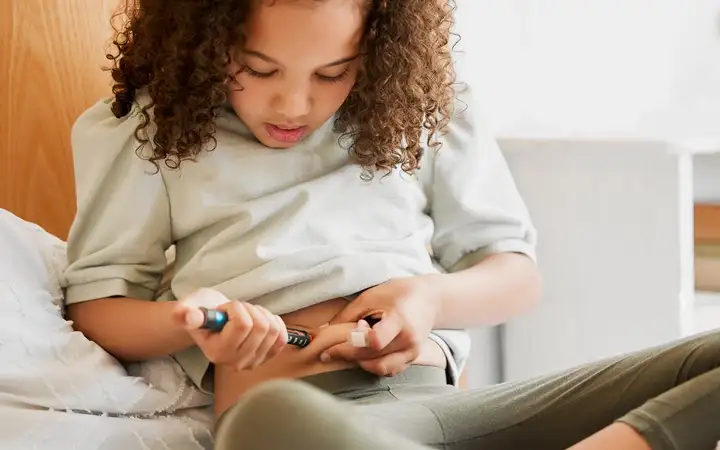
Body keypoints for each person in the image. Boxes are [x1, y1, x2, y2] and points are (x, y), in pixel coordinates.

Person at [62, 0, 720, 449]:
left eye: (333, 72)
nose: (294, 103)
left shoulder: (420, 109)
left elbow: (514, 274)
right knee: (270, 418)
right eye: (259, 69)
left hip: (450, 409)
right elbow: (97, 304)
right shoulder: (151, 128)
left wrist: (428, 297)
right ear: (205, 37)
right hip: (295, 416)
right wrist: (189, 321)